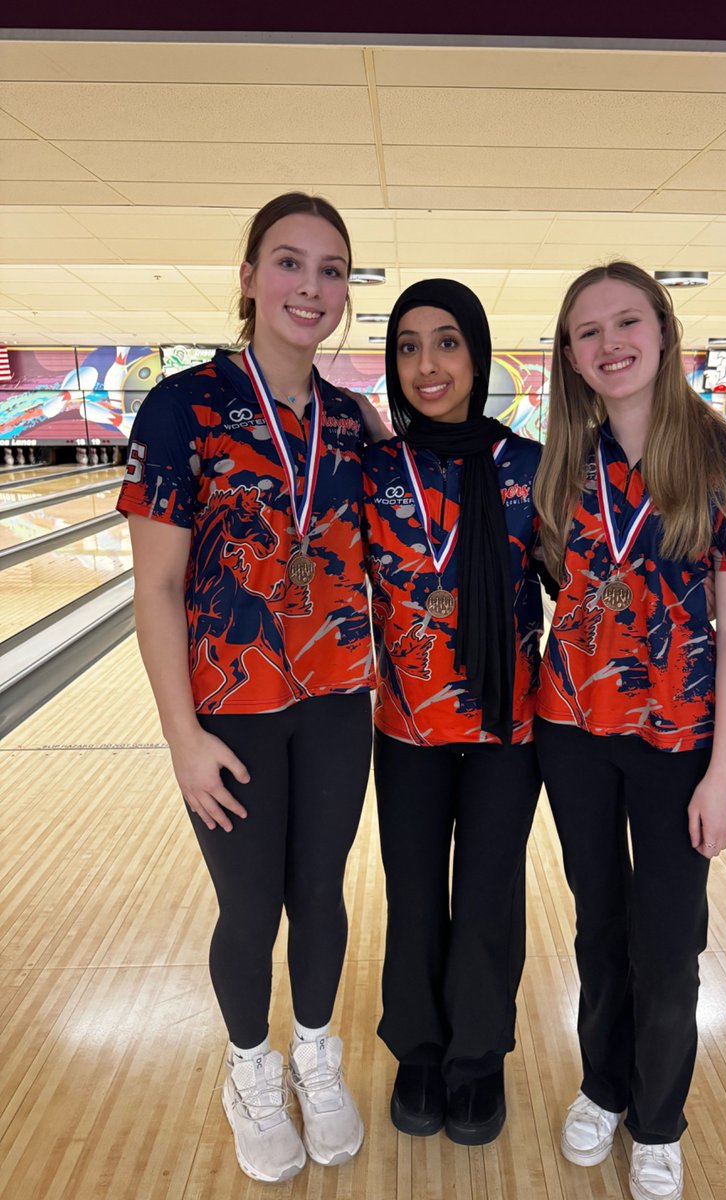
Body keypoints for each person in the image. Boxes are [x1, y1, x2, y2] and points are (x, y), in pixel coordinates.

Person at [117, 192, 387, 1184]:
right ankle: (250, 1068)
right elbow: (156, 588)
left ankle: (315, 1054)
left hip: (336, 702)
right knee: (250, 907)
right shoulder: (181, 406)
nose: (310, 287)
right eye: (289, 262)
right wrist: (182, 739)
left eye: (331, 270)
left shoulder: (354, 423)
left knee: (320, 893)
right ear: (248, 278)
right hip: (230, 709)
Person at [532, 262, 726, 1200]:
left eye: (627, 321)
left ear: (664, 330)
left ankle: (659, 1119)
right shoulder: (559, 467)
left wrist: (725, 776)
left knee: (670, 944)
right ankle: (602, 1086)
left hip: (679, 740)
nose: (610, 343)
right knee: (599, 927)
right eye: (588, 331)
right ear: (570, 355)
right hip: (573, 730)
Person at [362, 279, 545, 1145]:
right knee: (412, 896)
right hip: (406, 726)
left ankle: (477, 1057)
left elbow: (585, 582)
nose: (426, 364)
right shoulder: (371, 473)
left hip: (510, 727)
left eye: (446, 342)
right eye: (407, 346)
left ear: (476, 354)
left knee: (486, 897)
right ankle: (420, 1051)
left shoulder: (530, 467)